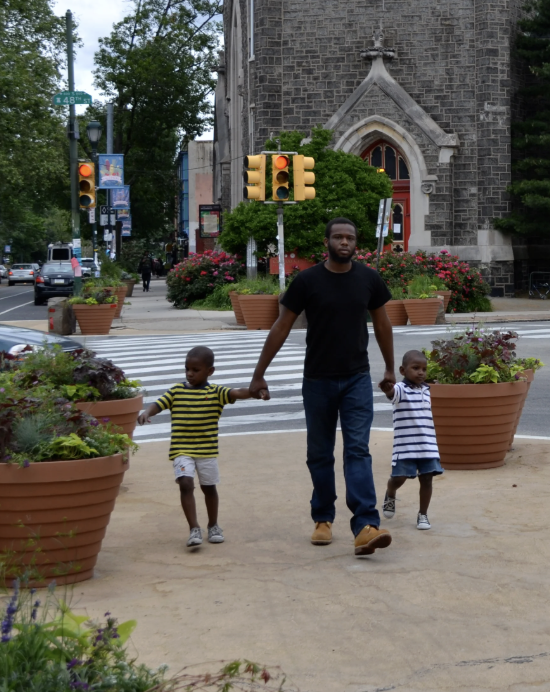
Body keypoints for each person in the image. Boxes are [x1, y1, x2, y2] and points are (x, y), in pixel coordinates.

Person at [248, 217, 395, 556]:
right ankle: (323, 519)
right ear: (327, 241)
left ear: (357, 244)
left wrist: (389, 368)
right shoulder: (308, 281)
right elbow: (281, 326)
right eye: (338, 237)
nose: (345, 242)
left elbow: (383, 325)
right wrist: (259, 374)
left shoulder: (369, 279)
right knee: (320, 454)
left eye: (351, 238)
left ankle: (365, 526)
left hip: (357, 378)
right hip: (317, 381)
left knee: (357, 450)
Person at [137, 345, 263, 548]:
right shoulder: (177, 391)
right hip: (182, 450)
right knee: (185, 484)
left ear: (210, 371)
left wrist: (254, 392)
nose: (189, 373)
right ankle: (194, 528)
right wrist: (147, 413)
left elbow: (236, 392)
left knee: (209, 488)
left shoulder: (216, 392)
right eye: (187, 369)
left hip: (207, 451)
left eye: (195, 370)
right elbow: (159, 403)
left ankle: (213, 525)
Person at [380, 349, 441, 530]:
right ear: (402, 370)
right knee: (399, 478)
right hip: (405, 446)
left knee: (427, 479)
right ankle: (390, 492)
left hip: (427, 445)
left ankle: (423, 514)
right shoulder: (400, 389)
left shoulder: (427, 390)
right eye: (415, 368)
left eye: (424, 369)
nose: (421, 372)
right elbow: (392, 394)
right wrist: (387, 389)